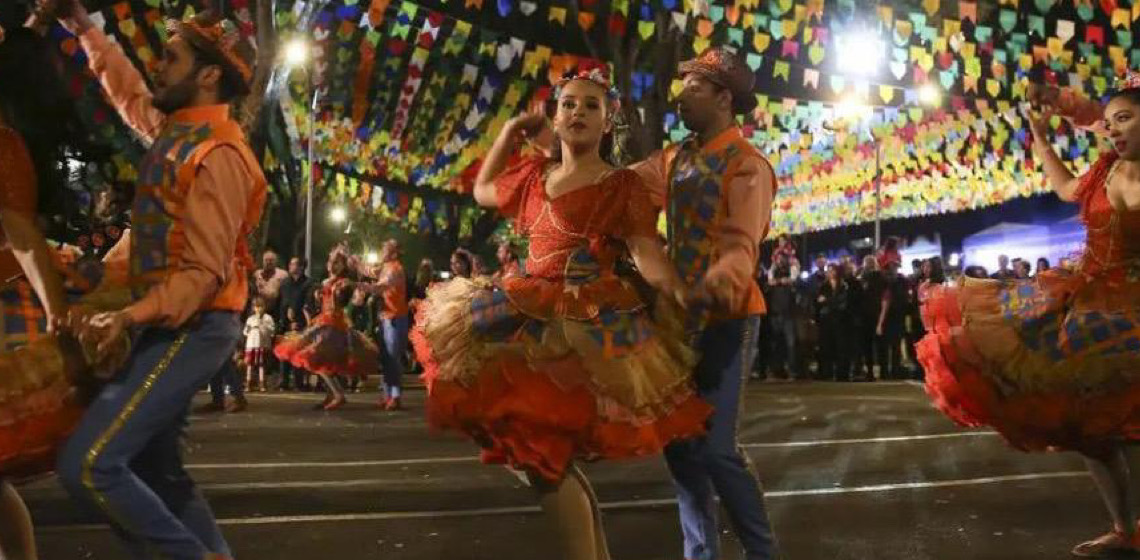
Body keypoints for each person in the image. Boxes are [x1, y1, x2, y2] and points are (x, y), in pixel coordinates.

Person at [413, 68, 711, 560]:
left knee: (544, 457)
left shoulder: (622, 186)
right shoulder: (534, 177)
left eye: (591, 106)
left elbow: (647, 254)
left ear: (608, 121)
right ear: (554, 116)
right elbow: (482, 190)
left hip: (582, 328)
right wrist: (509, 133)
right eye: (569, 104)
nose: (578, 113)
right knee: (542, 458)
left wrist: (682, 296)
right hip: (524, 314)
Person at [53, 5, 267, 560]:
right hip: (166, 320)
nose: (157, 65)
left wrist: (126, 316)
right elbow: (125, 90)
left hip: (197, 325)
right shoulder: (176, 134)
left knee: (91, 465)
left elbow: (202, 276)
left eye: (171, 57)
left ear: (208, 75)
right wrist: (81, 24)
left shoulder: (219, 154)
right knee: (160, 473)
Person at [919, 76, 1140, 557]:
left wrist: (1068, 105)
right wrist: (1040, 134)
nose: (1114, 131)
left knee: (1126, 425)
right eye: (1110, 122)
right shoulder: (1104, 170)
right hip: (1088, 306)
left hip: (1132, 314)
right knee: (1093, 428)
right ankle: (1126, 530)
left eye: (1125, 119)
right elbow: (1064, 188)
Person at [630, 47, 779, 560]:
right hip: (678, 318)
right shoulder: (676, 158)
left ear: (723, 97)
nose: (681, 96)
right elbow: (623, 189)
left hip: (729, 316)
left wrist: (715, 282)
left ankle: (762, 553)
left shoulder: (747, 164)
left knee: (716, 449)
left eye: (693, 87)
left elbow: (742, 243)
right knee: (681, 451)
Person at [275, 251, 379, 411]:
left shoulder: (344, 282)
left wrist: (340, 290)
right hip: (324, 321)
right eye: (331, 261)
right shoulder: (325, 281)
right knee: (321, 360)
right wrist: (319, 295)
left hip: (334, 324)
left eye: (337, 262)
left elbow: (342, 301)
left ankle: (338, 394)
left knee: (318, 359)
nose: (332, 264)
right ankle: (332, 394)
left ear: (344, 266)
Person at [370, 239, 408, 410]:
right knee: (386, 358)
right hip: (387, 317)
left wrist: (360, 286)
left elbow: (381, 287)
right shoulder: (385, 267)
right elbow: (370, 271)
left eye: (384, 248)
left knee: (393, 358)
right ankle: (387, 394)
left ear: (393, 252)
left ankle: (395, 396)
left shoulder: (395, 269)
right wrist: (353, 261)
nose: (381, 251)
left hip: (396, 318)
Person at [277, 256, 313, 391]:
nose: (291, 266)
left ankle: (299, 382)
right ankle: (283, 381)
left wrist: (298, 320)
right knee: (284, 353)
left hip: (301, 323)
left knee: (299, 354)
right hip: (286, 323)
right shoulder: (285, 283)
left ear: (302, 267)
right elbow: (281, 303)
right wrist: (283, 321)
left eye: (294, 264)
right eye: (290, 263)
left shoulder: (308, 283)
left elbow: (308, 304)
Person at [242, 296, 275, 392]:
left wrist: (261, 324)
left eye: (260, 306)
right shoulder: (250, 319)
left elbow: (272, 330)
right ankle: (248, 383)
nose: (258, 309)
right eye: (256, 307)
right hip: (251, 344)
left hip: (262, 344)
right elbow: (245, 331)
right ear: (253, 308)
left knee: (262, 364)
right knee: (249, 365)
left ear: (264, 307)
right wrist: (250, 328)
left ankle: (262, 383)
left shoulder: (268, 318)